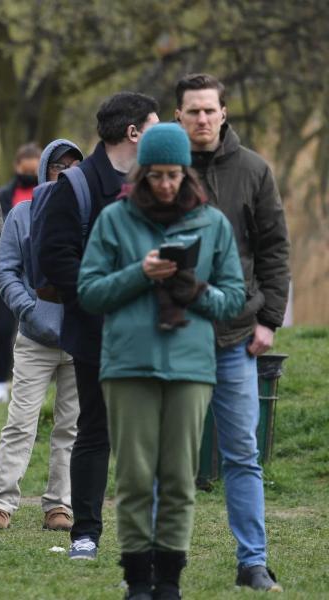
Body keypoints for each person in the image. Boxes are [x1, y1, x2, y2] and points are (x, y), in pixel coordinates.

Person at [78, 123, 245, 599]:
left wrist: (194, 289)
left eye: (175, 175)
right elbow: (89, 292)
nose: (167, 184)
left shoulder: (211, 224)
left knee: (177, 479)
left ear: (186, 173)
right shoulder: (115, 220)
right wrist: (140, 273)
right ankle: (136, 580)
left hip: (191, 367)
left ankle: (168, 580)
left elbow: (233, 299)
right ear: (143, 173)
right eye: (157, 176)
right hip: (128, 367)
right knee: (133, 478)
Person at [175, 73, 291, 592]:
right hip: (175, 335)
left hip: (236, 337)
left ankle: (253, 562)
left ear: (223, 113)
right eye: (192, 111)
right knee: (169, 455)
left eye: (209, 110)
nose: (201, 119)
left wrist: (269, 319)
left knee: (242, 453)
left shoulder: (254, 170)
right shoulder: (162, 171)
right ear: (178, 116)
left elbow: (274, 250)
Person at [38, 91, 160, 560]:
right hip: (96, 331)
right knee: (95, 430)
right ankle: (85, 532)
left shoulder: (156, 182)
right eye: (153, 125)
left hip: (151, 329)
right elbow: (56, 257)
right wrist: (101, 300)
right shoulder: (78, 184)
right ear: (133, 133)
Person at [0, 139, 83, 531]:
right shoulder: (22, 215)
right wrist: (29, 309)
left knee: (71, 427)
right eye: (60, 166)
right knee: (20, 422)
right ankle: (0, 504)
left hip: (79, 338)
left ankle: (60, 506)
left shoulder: (92, 214)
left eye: (75, 166)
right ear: (45, 170)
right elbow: (5, 271)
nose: (67, 173)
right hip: (34, 340)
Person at [0, 142, 42, 405]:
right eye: (25, 168)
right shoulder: (5, 195)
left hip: (39, 272)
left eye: (34, 169)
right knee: (4, 330)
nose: (29, 173)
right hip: (9, 271)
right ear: (17, 166)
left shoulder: (47, 192)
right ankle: (0, 383)